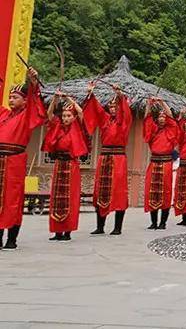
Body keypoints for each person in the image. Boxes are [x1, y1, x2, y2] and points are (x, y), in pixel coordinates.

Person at [0, 68, 44, 250]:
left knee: (13, 200)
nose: (11, 100)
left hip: (14, 161)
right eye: (10, 97)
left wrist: (33, 83)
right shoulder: (3, 115)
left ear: (25, 101)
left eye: (15, 97)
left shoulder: (27, 115)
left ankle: (12, 238)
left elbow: (36, 105)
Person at [82, 82, 132, 235]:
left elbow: (126, 113)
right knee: (100, 190)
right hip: (104, 157)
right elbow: (96, 109)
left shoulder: (123, 121)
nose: (112, 108)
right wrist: (91, 93)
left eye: (115, 106)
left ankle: (117, 227)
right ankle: (100, 226)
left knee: (118, 191)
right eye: (110, 106)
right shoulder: (104, 120)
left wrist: (119, 95)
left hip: (118, 158)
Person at [43, 92, 89, 241]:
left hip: (72, 165)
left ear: (74, 117)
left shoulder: (78, 126)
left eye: (69, 116)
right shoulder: (58, 126)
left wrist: (68, 97)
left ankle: (67, 231)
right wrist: (55, 99)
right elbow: (49, 115)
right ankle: (57, 232)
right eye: (64, 116)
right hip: (59, 164)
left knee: (70, 197)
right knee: (56, 197)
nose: (65, 118)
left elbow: (81, 111)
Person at [143, 98, 181, 230]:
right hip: (154, 163)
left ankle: (163, 222)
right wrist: (149, 104)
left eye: (163, 116)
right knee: (152, 191)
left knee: (165, 192)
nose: (162, 118)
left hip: (166, 163)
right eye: (160, 116)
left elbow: (171, 116)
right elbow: (147, 118)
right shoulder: (153, 129)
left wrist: (163, 102)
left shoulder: (170, 130)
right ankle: (153, 222)